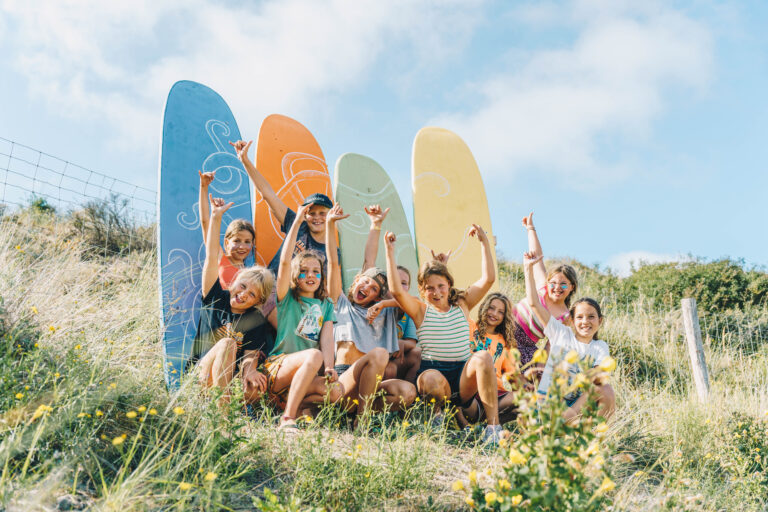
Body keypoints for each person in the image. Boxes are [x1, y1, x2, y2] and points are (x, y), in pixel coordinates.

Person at [384, 226, 503, 444]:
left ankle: (493, 429)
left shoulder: (463, 304)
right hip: (434, 375)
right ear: (422, 290)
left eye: (441, 286)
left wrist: (485, 243)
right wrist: (389, 251)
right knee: (429, 378)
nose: (437, 292)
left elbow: (488, 279)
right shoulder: (420, 310)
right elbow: (396, 291)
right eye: (430, 288)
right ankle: (436, 420)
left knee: (484, 356)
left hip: (462, 378)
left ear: (449, 284)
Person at [230, 140, 339, 329]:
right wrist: (245, 161)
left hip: (297, 302)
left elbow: (328, 290)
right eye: (311, 213)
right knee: (268, 297)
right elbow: (268, 194)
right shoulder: (297, 225)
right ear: (305, 214)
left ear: (330, 214)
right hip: (268, 290)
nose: (316, 217)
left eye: (322, 213)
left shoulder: (331, 251)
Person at [325, 204, 417, 419]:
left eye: (374, 289)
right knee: (380, 353)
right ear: (356, 281)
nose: (367, 288)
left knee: (407, 392)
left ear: (377, 297)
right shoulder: (341, 304)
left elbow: (407, 301)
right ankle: (362, 421)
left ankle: (355, 414)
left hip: (371, 386)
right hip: (342, 380)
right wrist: (332, 225)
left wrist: (384, 304)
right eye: (365, 282)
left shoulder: (386, 313)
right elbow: (333, 263)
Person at [262, 202, 342, 432]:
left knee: (336, 392)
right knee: (313, 354)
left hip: (306, 372)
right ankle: (288, 418)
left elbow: (327, 339)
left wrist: (329, 367)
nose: (311, 275)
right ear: (296, 277)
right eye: (305, 271)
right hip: (277, 368)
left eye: (316, 271)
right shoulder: (286, 297)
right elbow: (285, 261)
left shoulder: (325, 304)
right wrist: (297, 221)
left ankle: (290, 405)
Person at [194, 195, 274, 409]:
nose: (244, 295)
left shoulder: (254, 318)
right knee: (228, 343)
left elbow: (250, 355)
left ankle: (234, 406)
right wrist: (216, 216)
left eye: (252, 295)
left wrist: (250, 369)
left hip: (230, 378)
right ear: (235, 281)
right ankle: (224, 416)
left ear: (259, 301)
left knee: (256, 385)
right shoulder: (214, 298)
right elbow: (211, 256)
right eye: (243, 286)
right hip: (202, 372)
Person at [523, 250, 616, 422]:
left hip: (575, 408)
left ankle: (591, 436)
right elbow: (533, 303)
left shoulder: (599, 346)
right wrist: (528, 269)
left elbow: (598, 377)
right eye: (579, 317)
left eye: (591, 317)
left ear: (600, 321)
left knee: (606, 389)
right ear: (571, 320)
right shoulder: (560, 333)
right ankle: (559, 427)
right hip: (550, 406)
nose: (585, 322)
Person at [514, 212, 579, 372]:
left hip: (526, 345)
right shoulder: (542, 286)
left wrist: (542, 368)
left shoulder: (564, 316)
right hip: (507, 327)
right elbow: (537, 256)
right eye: (554, 283)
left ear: (572, 287)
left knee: (532, 376)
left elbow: (550, 346)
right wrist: (530, 228)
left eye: (563, 285)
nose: (557, 288)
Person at [462, 292, 528, 426]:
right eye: (491, 308)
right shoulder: (470, 326)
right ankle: (470, 425)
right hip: (470, 392)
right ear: (484, 307)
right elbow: (461, 307)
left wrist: (527, 387)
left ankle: (489, 423)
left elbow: (513, 377)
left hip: (495, 395)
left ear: (505, 317)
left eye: (500, 312)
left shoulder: (505, 343)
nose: (494, 314)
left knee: (526, 399)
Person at [198, 170, 256, 288]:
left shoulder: (251, 272)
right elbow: (205, 224)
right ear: (226, 242)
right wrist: (204, 187)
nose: (242, 246)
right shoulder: (220, 259)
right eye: (237, 240)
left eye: (247, 242)